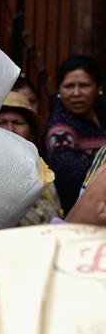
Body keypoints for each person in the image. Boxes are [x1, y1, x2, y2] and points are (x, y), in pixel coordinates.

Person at [44, 55, 106, 214]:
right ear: (59, 90)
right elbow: (67, 169)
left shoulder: (102, 113)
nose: (76, 93)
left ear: (98, 87)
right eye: (69, 86)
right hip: (79, 211)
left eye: (84, 85)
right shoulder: (59, 126)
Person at [0, 92, 63, 225]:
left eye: (18, 123)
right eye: (0, 122)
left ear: (31, 134)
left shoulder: (43, 172)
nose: (10, 129)